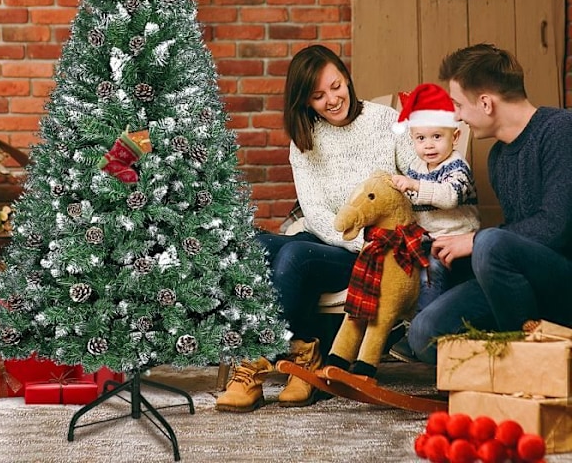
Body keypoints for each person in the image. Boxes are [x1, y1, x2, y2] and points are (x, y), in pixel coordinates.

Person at [215, 44, 416, 412]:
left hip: (374, 247)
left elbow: (416, 181)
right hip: (332, 240)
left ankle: (256, 363)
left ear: (347, 77)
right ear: (305, 101)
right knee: (251, 244)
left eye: (336, 86)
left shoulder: (386, 121)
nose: (332, 100)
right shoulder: (306, 137)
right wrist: (350, 241)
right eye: (318, 95)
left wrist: (372, 242)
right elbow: (315, 210)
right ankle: (305, 352)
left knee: (294, 255)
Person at [408, 43, 572, 365]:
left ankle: (525, 365)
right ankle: (513, 350)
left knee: (489, 241)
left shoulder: (560, 131)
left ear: (485, 103)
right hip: (523, 287)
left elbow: (556, 227)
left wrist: (475, 240)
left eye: (457, 104)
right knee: (424, 332)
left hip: (563, 282)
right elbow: (514, 239)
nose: (455, 116)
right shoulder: (498, 157)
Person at [388, 83, 481, 362]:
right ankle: (397, 326)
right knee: (398, 262)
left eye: (436, 137)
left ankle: (419, 333)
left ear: (455, 136)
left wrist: (414, 186)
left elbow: (449, 197)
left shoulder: (457, 167)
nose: (428, 145)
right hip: (427, 240)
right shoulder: (416, 167)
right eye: (420, 138)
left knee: (432, 270)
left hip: (458, 241)